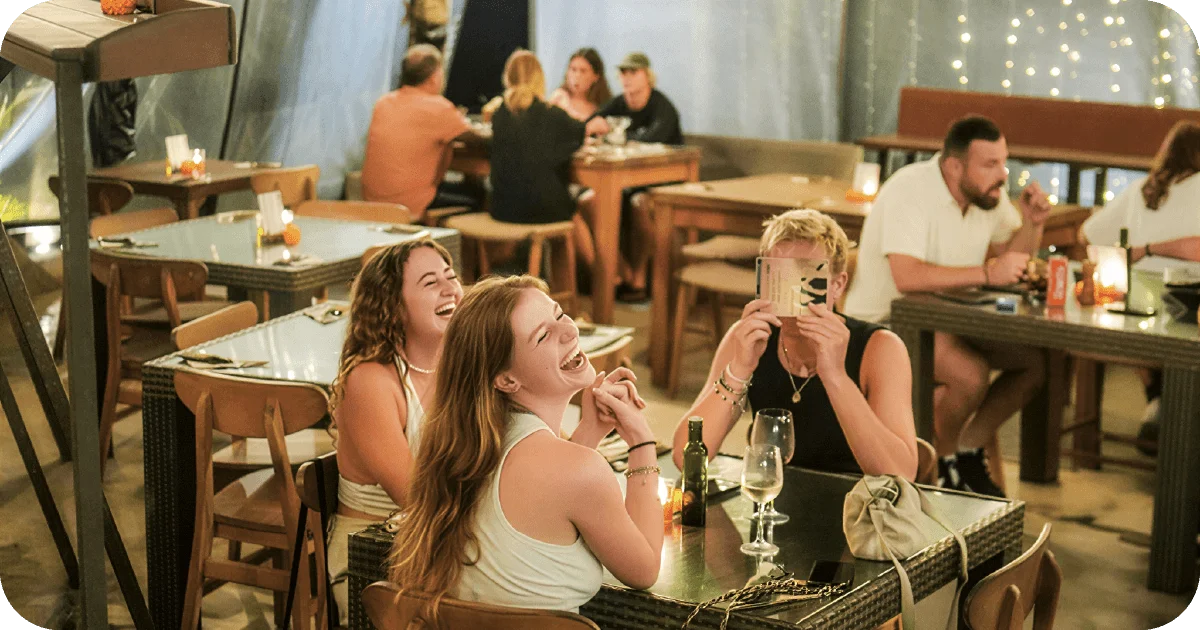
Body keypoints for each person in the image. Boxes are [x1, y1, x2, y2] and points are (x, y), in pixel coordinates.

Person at [387, 275, 663, 614]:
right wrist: (641, 441)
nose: (570, 331)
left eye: (560, 315)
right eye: (544, 335)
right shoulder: (579, 471)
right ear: (506, 379)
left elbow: (544, 504)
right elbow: (645, 569)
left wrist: (588, 432)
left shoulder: (459, 446)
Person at [843, 115, 1052, 497]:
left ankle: (967, 446)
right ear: (955, 165)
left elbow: (1011, 262)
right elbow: (907, 277)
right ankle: (948, 463)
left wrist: (1032, 225)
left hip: (948, 320)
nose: (1002, 174)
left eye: (1004, 161)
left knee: (1034, 364)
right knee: (969, 375)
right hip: (885, 324)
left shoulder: (988, 195)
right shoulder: (910, 190)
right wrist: (987, 273)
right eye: (990, 164)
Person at [670, 209, 917, 479]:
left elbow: (901, 472)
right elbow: (685, 455)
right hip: (773, 502)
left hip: (859, 507)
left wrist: (835, 376)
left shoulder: (880, 348)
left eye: (805, 276)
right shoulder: (750, 339)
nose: (791, 294)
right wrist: (739, 369)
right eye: (779, 277)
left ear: (836, 285)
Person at [326, 238, 462, 622]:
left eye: (451, 276)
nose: (451, 288)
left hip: (441, 541)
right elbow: (416, 498)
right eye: (430, 282)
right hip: (375, 559)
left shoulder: (458, 365)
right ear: (393, 307)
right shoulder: (371, 381)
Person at [1080, 119, 1200, 453]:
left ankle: (1157, 402)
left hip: (1135, 307)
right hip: (1185, 305)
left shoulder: (1142, 190)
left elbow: (1086, 235)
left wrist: (1145, 247)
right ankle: (1167, 412)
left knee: (1143, 332)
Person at [585, 52, 684, 302]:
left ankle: (638, 278)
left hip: (662, 180)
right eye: (623, 73)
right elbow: (590, 122)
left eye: (633, 72)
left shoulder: (663, 106)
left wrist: (613, 137)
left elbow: (655, 137)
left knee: (640, 204)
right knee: (587, 201)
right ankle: (621, 272)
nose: (627, 78)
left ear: (647, 76)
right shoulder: (618, 103)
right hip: (626, 179)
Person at [487, 50, 596, 271]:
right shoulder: (552, 114)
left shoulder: (499, 114)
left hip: (502, 207)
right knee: (572, 213)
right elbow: (580, 131)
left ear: (508, 78)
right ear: (539, 78)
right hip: (543, 208)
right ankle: (600, 281)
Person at [361, 44, 482, 221]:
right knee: (478, 197)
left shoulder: (383, 103)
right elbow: (479, 140)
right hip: (408, 204)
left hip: (372, 202)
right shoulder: (438, 107)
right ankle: (444, 246)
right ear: (434, 77)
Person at [548, 48, 613, 122]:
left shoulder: (603, 106)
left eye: (583, 71)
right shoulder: (558, 99)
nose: (577, 75)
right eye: (573, 69)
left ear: (596, 76)